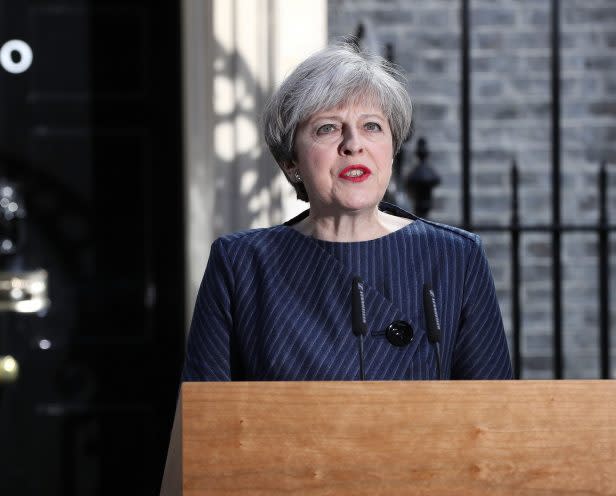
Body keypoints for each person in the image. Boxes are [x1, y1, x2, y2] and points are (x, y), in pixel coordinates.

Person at [181, 42, 512, 381]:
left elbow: (495, 420)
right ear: (291, 163)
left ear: (392, 150)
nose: (354, 143)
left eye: (372, 126)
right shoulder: (241, 265)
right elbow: (202, 424)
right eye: (328, 128)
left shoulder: (457, 257)